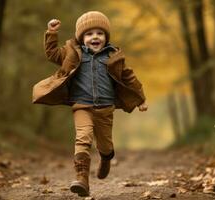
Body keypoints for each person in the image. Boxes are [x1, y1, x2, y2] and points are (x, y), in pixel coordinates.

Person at [32, 11, 148, 197]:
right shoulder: (73, 53)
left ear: (106, 37)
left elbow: (129, 78)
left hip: (105, 107)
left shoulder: (113, 56)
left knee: (105, 144)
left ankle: (106, 158)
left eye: (100, 33)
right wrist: (51, 33)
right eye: (89, 34)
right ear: (81, 37)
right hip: (82, 105)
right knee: (83, 137)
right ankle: (82, 178)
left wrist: (141, 98)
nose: (95, 37)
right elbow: (52, 54)